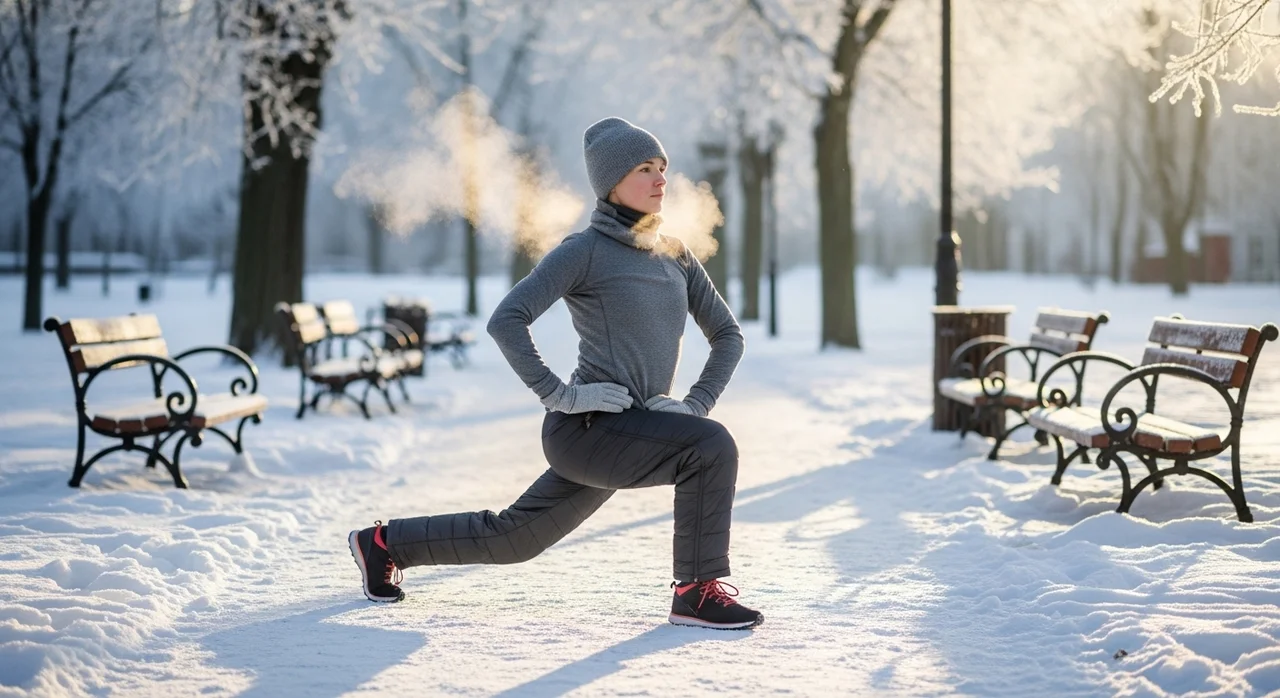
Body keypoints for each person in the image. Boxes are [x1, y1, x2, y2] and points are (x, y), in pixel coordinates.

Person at [348, 117, 761, 630]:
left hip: (637, 430)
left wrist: (694, 405)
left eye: (663, 168)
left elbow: (728, 335)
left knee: (514, 539)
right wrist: (559, 395)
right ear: (612, 182)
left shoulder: (676, 255)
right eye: (644, 168)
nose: (660, 179)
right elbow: (507, 320)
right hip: (588, 429)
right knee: (710, 447)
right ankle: (696, 592)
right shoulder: (583, 251)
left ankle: (384, 543)